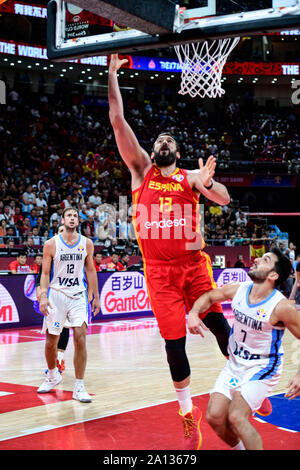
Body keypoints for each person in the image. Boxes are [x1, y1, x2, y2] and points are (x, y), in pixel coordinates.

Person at [108, 53, 232, 450]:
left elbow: (226, 200)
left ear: (176, 153)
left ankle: (242, 387)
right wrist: (111, 75)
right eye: (159, 139)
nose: (163, 141)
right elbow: (117, 120)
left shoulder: (190, 177)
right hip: (158, 272)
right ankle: (185, 413)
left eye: (169, 140)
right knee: (173, 344)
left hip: (193, 266)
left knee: (219, 326)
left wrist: (209, 185)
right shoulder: (141, 170)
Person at [188, 247, 300, 450]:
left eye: (265, 259)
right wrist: (194, 313)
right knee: (214, 417)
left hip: (263, 367)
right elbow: (210, 296)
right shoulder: (239, 289)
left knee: (236, 416)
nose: (256, 260)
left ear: (273, 275)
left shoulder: (281, 307)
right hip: (235, 363)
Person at [37, 207, 100, 402]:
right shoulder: (51, 244)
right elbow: (45, 274)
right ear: (62, 220)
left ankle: (79, 387)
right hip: (56, 295)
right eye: (69, 216)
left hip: (77, 295)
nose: (72, 218)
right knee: (51, 343)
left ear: (78, 221)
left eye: (75, 216)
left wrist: (96, 296)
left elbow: (90, 270)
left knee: (80, 337)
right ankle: (52, 375)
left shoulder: (87, 243)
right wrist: (44, 296)